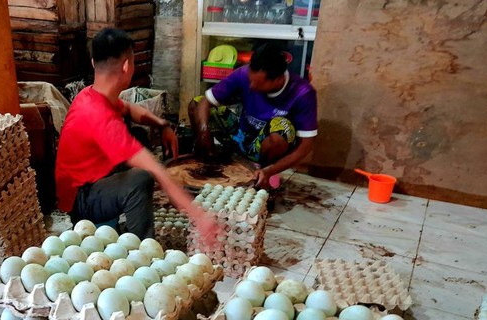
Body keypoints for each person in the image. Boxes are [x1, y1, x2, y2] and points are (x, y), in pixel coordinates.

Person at [55, 28, 218, 241]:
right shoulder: (99, 116)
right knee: (140, 179)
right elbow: (155, 170)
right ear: (126, 66)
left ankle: (117, 216)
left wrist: (163, 125)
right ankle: (140, 248)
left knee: (138, 136)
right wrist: (199, 216)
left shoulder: (91, 94)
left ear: (94, 63)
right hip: (80, 199)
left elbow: (130, 109)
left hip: (90, 180)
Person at [190, 43, 318, 189]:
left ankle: (261, 171)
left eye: (258, 83)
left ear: (277, 79)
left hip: (265, 148)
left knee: (282, 128)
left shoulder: (303, 93)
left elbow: (306, 146)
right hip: (240, 136)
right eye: (250, 80)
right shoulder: (243, 74)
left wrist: (270, 171)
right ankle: (209, 156)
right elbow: (206, 102)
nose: (251, 86)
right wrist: (203, 131)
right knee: (197, 104)